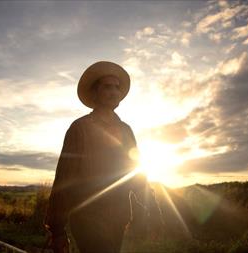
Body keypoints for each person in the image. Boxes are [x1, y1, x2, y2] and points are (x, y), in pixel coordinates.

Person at [45, 61, 163, 253]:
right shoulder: (80, 128)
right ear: (95, 93)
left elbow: (136, 175)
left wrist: (154, 211)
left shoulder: (126, 131)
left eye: (117, 87)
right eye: (107, 86)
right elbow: (64, 179)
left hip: (118, 218)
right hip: (87, 219)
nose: (114, 91)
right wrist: (57, 230)